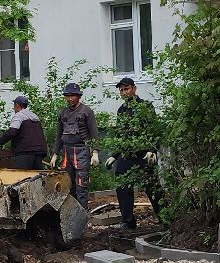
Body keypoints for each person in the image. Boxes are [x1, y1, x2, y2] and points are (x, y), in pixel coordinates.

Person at [109, 77, 163, 232]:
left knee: (151, 185)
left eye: (126, 89)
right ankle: (128, 221)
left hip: (144, 154)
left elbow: (154, 130)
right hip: (127, 154)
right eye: (121, 90)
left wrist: (152, 151)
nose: (124, 92)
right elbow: (121, 135)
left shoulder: (145, 107)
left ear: (134, 89)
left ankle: (165, 218)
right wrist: (115, 155)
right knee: (122, 183)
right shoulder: (121, 110)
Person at [52, 82, 98, 204]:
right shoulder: (63, 113)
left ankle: (82, 213)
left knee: (81, 184)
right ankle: (70, 213)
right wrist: (55, 153)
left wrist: (95, 152)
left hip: (81, 151)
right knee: (67, 183)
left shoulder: (86, 111)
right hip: (66, 152)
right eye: (68, 95)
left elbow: (94, 133)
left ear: (78, 96)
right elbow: (59, 135)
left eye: (73, 95)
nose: (70, 98)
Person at [0, 95, 48, 169]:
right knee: (37, 177)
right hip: (39, 151)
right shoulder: (34, 116)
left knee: (22, 177)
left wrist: (1, 141)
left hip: (25, 151)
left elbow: (12, 132)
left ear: (17, 105)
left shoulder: (19, 116)